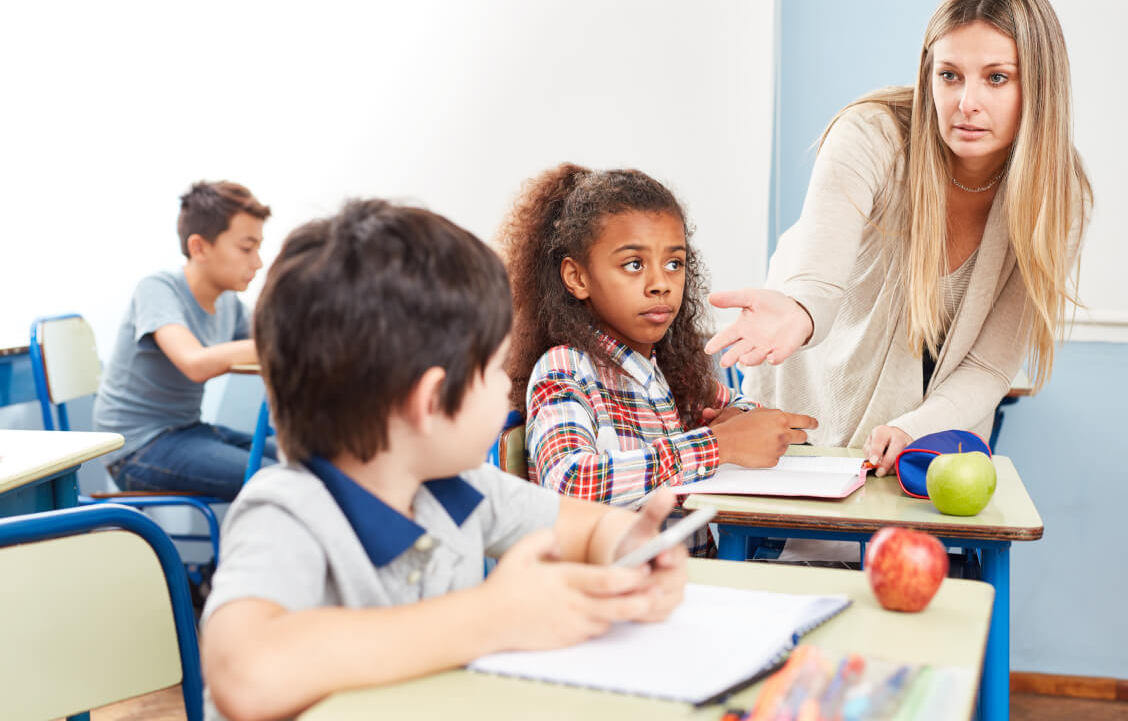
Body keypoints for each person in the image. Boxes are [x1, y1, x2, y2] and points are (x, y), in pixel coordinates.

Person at [201, 199, 688, 721]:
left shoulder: (459, 486)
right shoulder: (287, 511)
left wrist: (630, 548)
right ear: (431, 401)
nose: (506, 388)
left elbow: (587, 528)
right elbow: (246, 673)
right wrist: (492, 617)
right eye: (496, 369)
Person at [706, 0, 1092, 477]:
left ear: (1039, 85)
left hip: (933, 407)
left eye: (996, 78)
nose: (965, 103)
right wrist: (798, 311)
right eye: (949, 75)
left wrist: (918, 425)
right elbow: (818, 279)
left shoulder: (1058, 196)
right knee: (793, 541)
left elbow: (990, 363)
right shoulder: (872, 134)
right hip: (819, 367)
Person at [499, 163, 815, 553]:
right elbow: (569, 482)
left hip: (690, 585)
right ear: (577, 278)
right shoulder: (565, 368)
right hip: (618, 600)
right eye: (634, 264)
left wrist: (741, 421)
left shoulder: (667, 369)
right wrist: (717, 444)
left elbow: (740, 408)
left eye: (674, 263)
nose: (660, 284)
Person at [94, 180, 278, 500]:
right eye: (247, 248)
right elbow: (194, 363)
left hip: (188, 430)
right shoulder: (157, 289)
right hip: (136, 449)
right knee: (272, 479)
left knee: (306, 462)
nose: (258, 262)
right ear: (199, 247)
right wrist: (285, 345)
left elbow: (270, 340)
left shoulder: (228, 305)